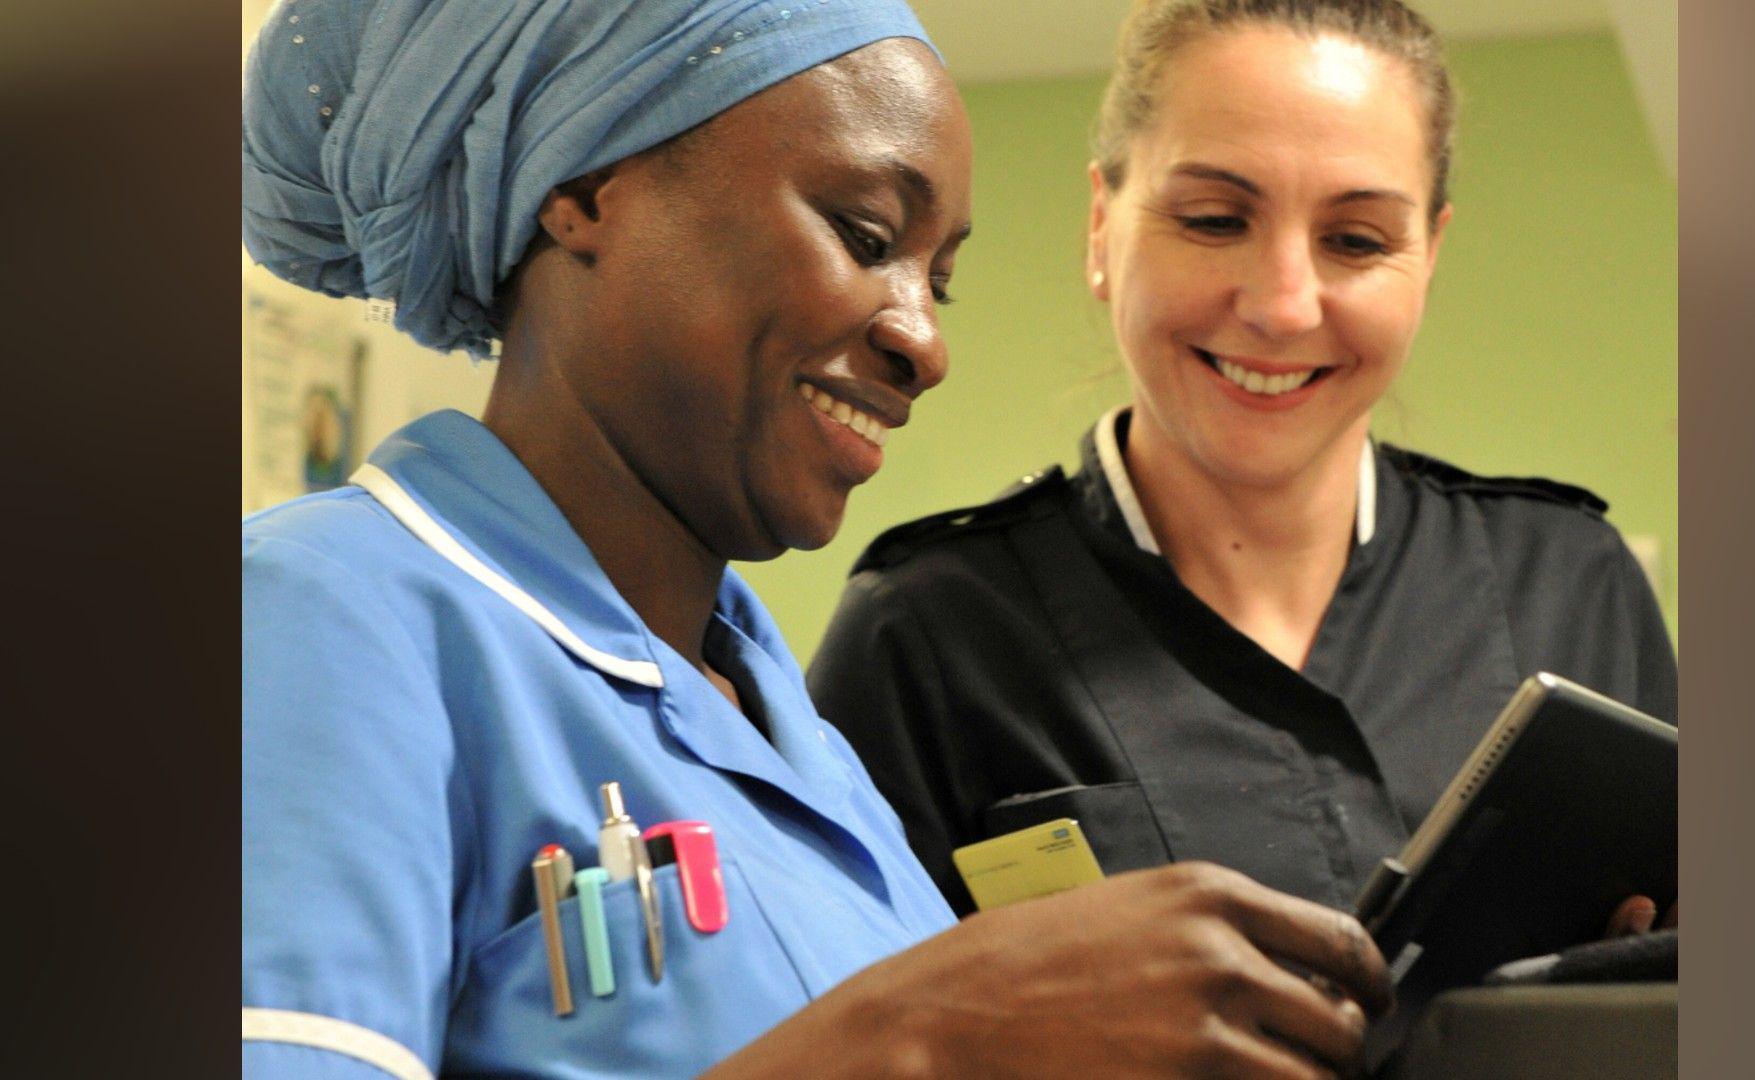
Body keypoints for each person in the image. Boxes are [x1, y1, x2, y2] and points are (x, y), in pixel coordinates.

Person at [241, 2, 1391, 1077]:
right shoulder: (324, 620)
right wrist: (927, 1033)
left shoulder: (808, 759)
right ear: (583, 191)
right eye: (865, 232)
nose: (924, 342)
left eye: (940, 278)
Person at [809, 0, 1679, 926]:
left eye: (1356, 241)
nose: (1283, 306)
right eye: (1217, 219)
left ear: (1429, 257)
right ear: (1101, 228)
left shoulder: (1570, 585)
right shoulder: (929, 636)